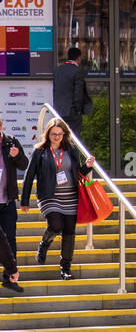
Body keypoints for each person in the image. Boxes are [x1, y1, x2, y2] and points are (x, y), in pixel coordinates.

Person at [20, 118, 95, 281]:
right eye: (53, 134)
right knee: (55, 225)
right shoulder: (40, 152)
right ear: (48, 134)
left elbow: (78, 173)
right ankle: (44, 244)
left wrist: (88, 166)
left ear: (64, 134)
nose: (57, 137)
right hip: (49, 196)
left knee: (69, 232)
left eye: (60, 134)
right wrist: (24, 200)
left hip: (70, 196)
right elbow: (28, 176)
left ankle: (65, 269)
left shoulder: (71, 150)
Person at [0, 117, 28, 294]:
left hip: (7, 201)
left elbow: (24, 164)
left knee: (10, 239)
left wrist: (16, 155)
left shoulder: (11, 142)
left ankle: (9, 278)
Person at [52, 45, 91, 139]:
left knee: (60, 138)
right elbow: (78, 94)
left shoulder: (58, 70)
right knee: (73, 139)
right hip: (72, 113)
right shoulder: (77, 71)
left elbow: (55, 89)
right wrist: (78, 110)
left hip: (59, 111)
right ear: (78, 58)